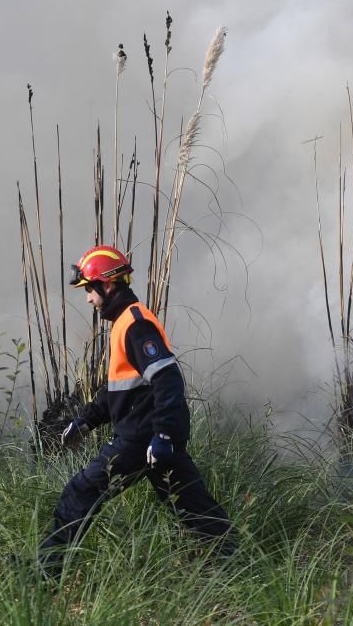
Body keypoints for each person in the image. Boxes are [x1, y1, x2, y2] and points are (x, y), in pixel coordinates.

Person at [37, 245, 235, 579]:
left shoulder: (135, 325)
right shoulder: (123, 324)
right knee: (192, 505)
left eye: (89, 289)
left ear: (108, 285)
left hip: (140, 440)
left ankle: (42, 575)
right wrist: (85, 420)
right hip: (151, 439)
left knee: (81, 492)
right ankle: (239, 564)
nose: (88, 299)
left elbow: (168, 380)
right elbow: (120, 388)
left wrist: (165, 436)